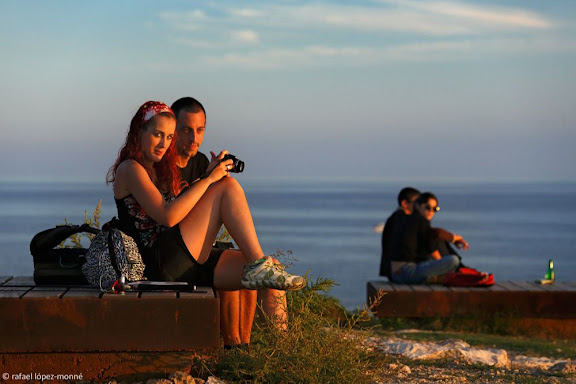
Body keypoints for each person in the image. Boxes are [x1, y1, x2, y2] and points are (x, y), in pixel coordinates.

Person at [107, 101, 305, 340]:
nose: (163, 143)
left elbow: (185, 211)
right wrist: (210, 180)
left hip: (182, 258)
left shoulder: (158, 169)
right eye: (157, 134)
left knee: (274, 278)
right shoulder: (131, 169)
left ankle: (277, 363)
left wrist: (205, 176)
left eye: (169, 137)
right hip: (158, 262)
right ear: (139, 132)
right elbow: (168, 217)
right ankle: (259, 265)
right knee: (227, 187)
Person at [171, 96, 258, 348]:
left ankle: (242, 346)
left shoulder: (199, 162)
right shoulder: (163, 166)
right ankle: (231, 343)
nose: (193, 138)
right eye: (186, 130)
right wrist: (209, 179)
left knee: (246, 264)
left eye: (199, 130)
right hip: (176, 252)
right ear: (172, 130)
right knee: (229, 264)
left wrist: (213, 174)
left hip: (201, 244)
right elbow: (172, 214)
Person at [383, 190, 468, 284]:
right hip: (406, 272)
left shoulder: (403, 219)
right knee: (453, 260)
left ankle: (437, 277)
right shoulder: (420, 220)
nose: (431, 212)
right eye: (428, 207)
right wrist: (442, 263)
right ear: (417, 206)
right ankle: (445, 276)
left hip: (397, 273)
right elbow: (432, 245)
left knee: (437, 257)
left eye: (435, 209)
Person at [379, 187, 420, 278]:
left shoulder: (397, 219)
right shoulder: (400, 220)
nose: (419, 207)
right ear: (404, 203)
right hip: (398, 270)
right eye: (417, 203)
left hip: (393, 270)